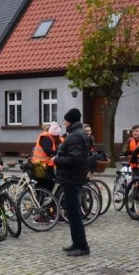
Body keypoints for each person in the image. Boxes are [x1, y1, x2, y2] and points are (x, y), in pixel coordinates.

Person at [54, 108, 91, 256]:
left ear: (70, 121)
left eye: (65, 120)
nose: (64, 123)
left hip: (72, 178)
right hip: (74, 177)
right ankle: (76, 242)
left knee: (74, 213)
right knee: (72, 212)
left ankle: (82, 246)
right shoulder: (78, 134)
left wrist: (57, 159)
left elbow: (75, 159)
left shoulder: (75, 136)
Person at [31, 121, 61, 191]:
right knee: (42, 186)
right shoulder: (46, 138)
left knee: (45, 185)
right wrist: (58, 152)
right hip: (40, 164)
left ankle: (44, 200)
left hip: (41, 164)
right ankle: (39, 201)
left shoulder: (48, 137)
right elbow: (48, 151)